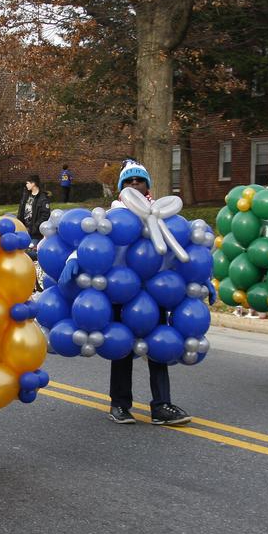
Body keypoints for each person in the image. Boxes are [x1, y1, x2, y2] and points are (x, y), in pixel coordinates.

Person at [104, 159, 191, 426]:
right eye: (128, 181)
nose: (134, 185)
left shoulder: (162, 215)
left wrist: (197, 282)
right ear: (120, 189)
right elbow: (92, 243)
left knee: (159, 346)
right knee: (121, 347)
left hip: (155, 291)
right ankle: (119, 404)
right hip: (122, 290)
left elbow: (179, 250)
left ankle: (161, 405)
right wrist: (73, 262)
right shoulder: (113, 217)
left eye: (139, 180)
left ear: (147, 186)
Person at [16, 174, 51, 243]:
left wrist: (34, 227)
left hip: (35, 234)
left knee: (31, 251)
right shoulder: (26, 195)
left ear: (33, 183)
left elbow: (45, 215)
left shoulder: (43, 198)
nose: (26, 185)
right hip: (23, 230)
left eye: (27, 183)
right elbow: (21, 211)